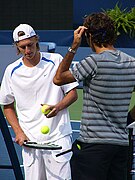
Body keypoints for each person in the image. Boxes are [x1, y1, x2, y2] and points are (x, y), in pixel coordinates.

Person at [53, 12, 135, 180]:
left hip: (93, 148)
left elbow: (58, 78)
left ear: (89, 36)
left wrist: (73, 46)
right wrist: (127, 118)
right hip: (120, 148)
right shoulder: (132, 63)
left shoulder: (93, 62)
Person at [0, 24, 78, 180]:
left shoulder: (56, 60)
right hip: (30, 142)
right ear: (17, 47)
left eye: (30, 44)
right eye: (23, 47)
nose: (28, 50)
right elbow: (7, 106)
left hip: (58, 137)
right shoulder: (11, 71)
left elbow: (72, 94)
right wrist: (19, 132)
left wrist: (58, 107)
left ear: (36, 40)